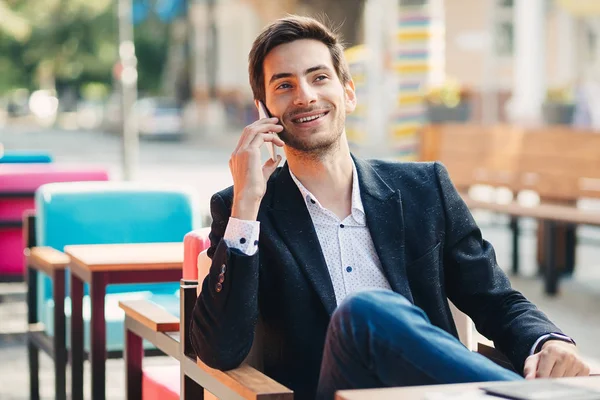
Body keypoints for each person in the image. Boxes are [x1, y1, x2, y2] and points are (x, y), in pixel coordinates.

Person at [190, 15, 590, 400]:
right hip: (334, 391)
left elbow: (493, 297)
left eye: (319, 77)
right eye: (284, 85)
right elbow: (219, 351)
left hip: (434, 396)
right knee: (364, 313)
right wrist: (246, 205)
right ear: (263, 111)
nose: (305, 95)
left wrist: (547, 339)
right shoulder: (246, 210)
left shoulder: (424, 189)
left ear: (348, 92)